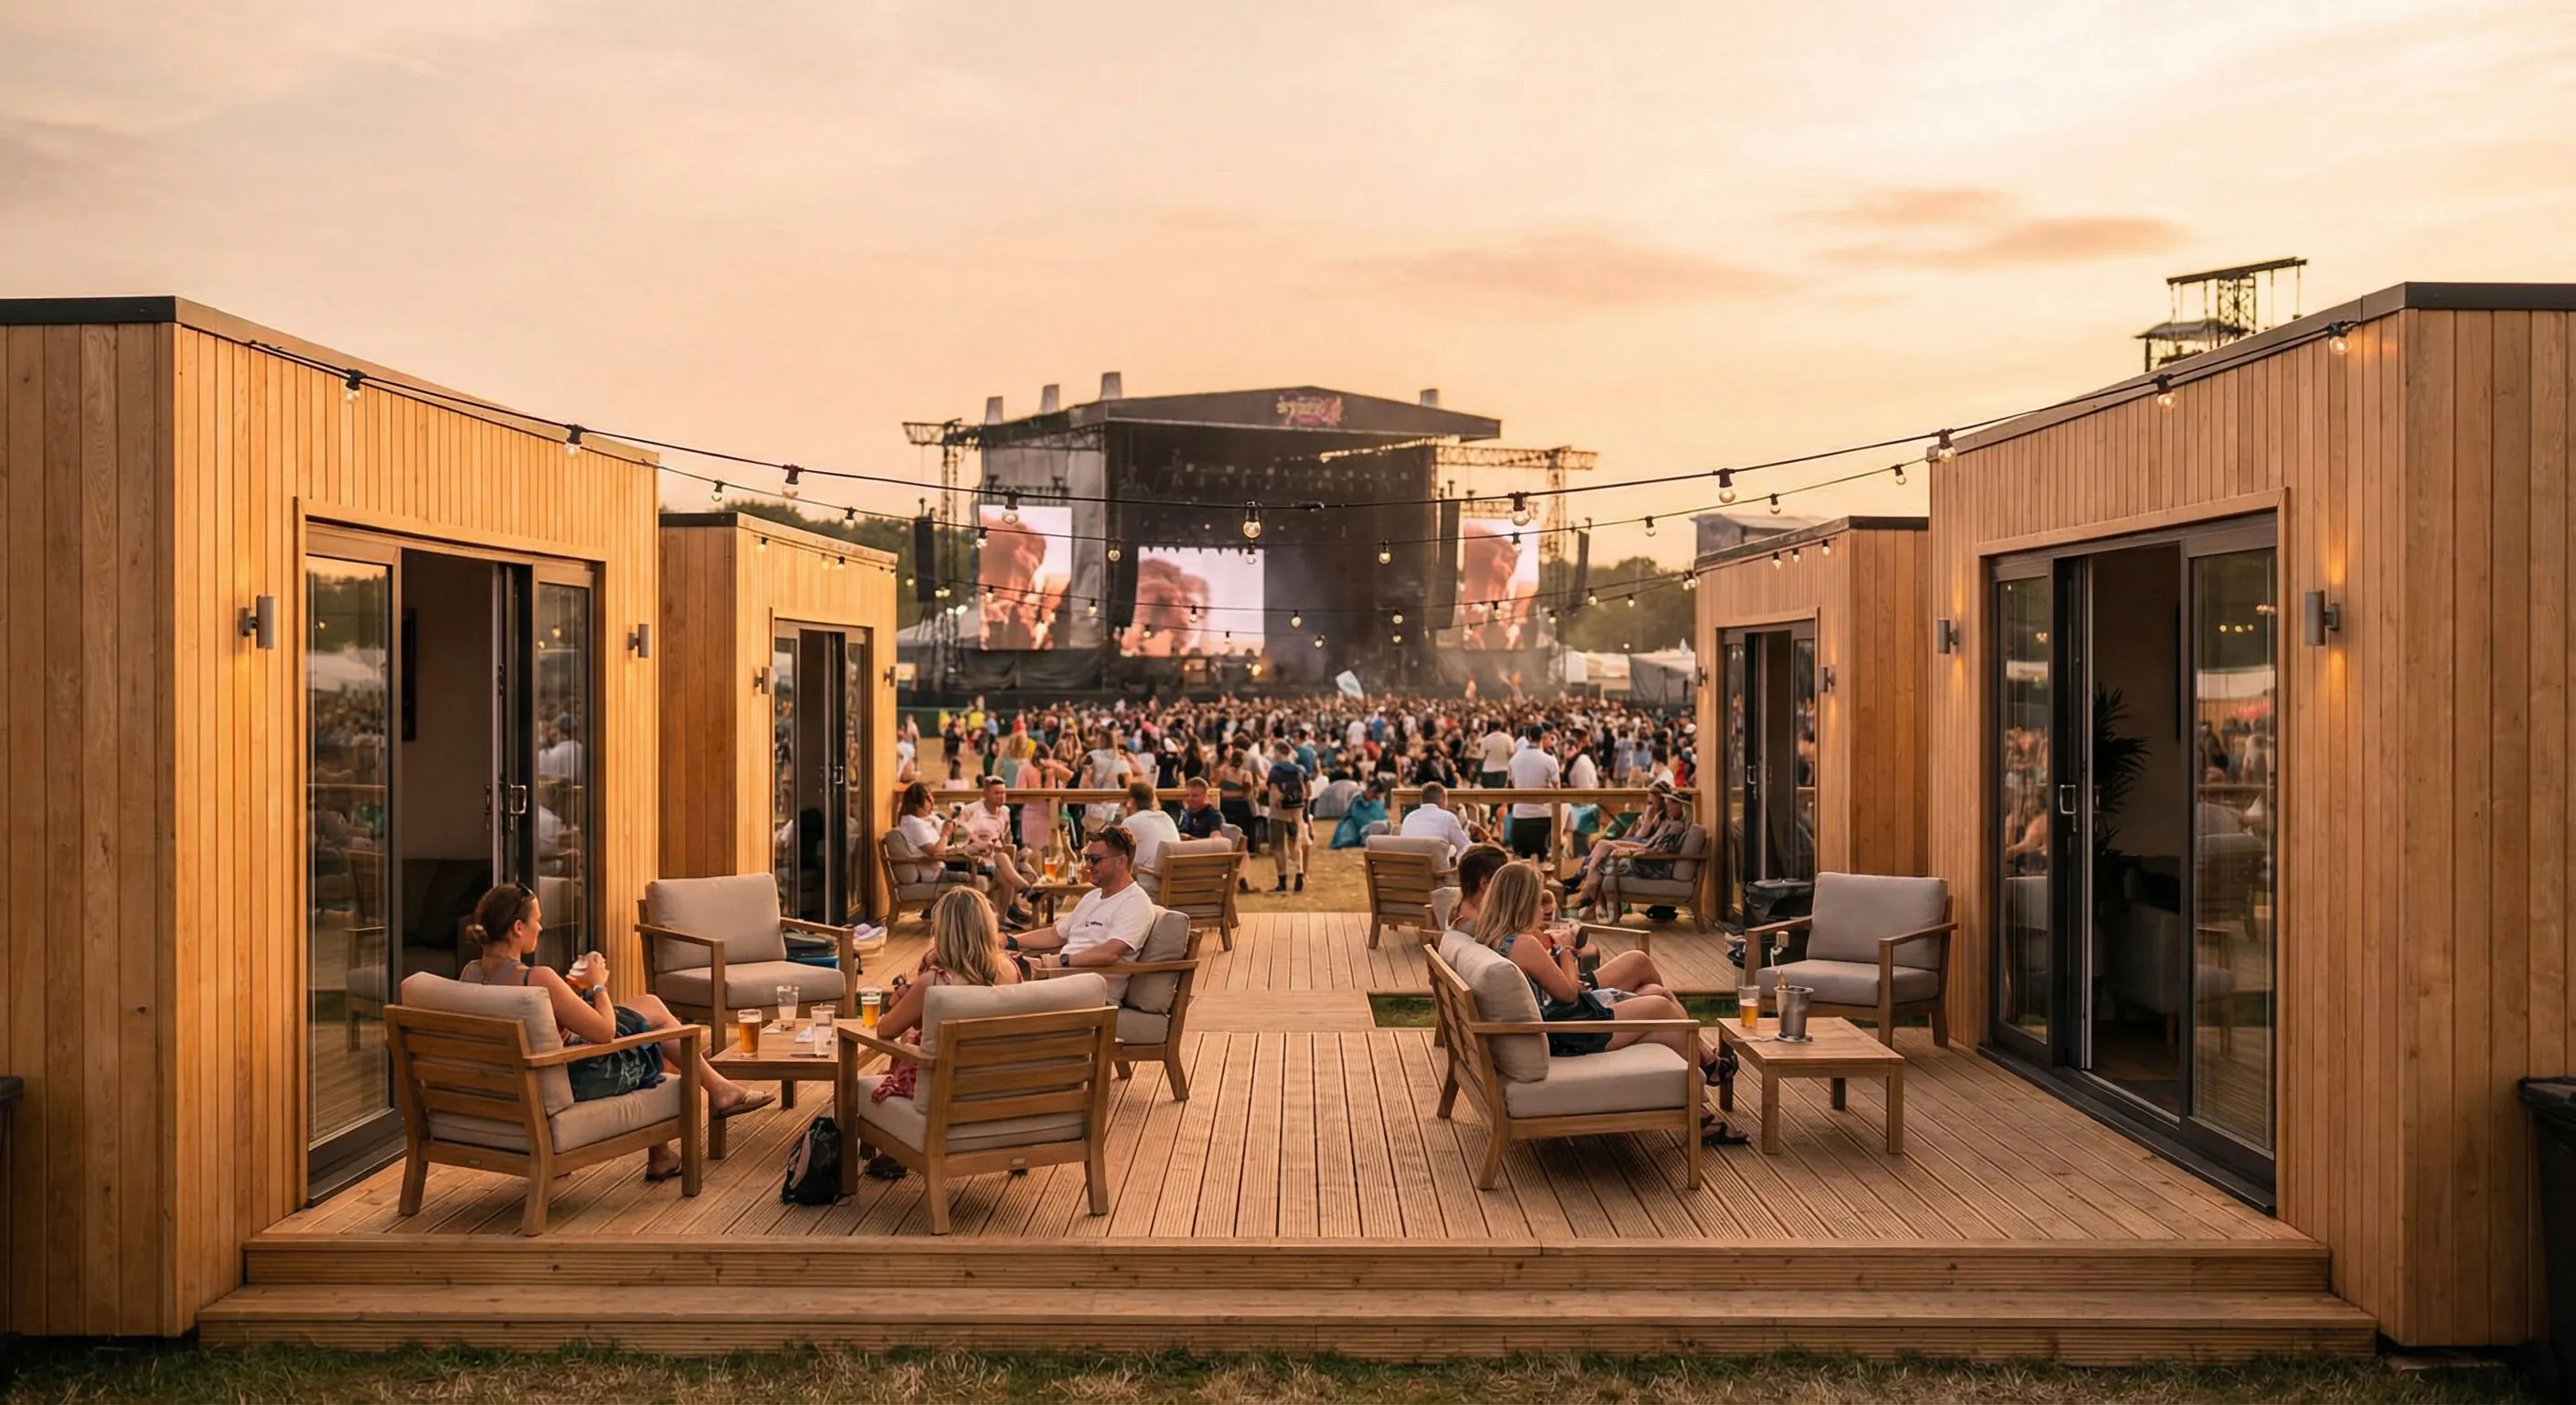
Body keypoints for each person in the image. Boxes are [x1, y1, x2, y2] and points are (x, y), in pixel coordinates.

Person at [458, 884, 771, 1181]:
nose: (540, 928)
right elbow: (604, 1033)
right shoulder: (538, 978)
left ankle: (686, 1128)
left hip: (511, 1084)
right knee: (655, 1037)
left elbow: (540, 1021)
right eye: (537, 921)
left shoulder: (470, 974)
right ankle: (715, 1095)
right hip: (574, 1078)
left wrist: (569, 995)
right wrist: (597, 984)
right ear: (517, 928)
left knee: (650, 1007)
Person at [1471, 864, 1742, 1142]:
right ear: (1523, 900)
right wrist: (1566, 948)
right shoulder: (1523, 943)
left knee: (1658, 998)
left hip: (1556, 1025)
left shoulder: (1494, 936)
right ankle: (1709, 1069)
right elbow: (1567, 994)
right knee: (1662, 1007)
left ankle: (1701, 1112)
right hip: (1565, 1032)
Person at [1010, 825, 1154, 1000]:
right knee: (988, 965)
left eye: (1095, 859)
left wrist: (1051, 962)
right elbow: (1056, 934)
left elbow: (1110, 953)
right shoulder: (1092, 897)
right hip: (1061, 979)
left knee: (995, 983)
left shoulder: (1135, 902)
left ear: (1121, 861)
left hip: (1092, 991)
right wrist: (1009, 940)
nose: (1087, 866)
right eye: (1086, 858)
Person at [960, 776, 1036, 927]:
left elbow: (1006, 837)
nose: (1001, 796)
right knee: (1001, 857)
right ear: (986, 793)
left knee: (1006, 879)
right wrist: (981, 842)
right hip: (976, 855)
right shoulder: (972, 810)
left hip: (996, 855)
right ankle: (1025, 889)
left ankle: (1001, 918)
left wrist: (1015, 851)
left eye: (1003, 793)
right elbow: (962, 834)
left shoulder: (1005, 811)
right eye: (997, 793)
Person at [1506, 724, 1562, 860]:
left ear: (1528, 738)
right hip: (1542, 814)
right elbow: (1557, 788)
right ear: (1542, 738)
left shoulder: (1515, 760)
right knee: (1541, 856)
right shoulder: (1549, 760)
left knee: (1522, 857)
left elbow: (1510, 784)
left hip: (1520, 814)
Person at [1264, 738, 1309, 893]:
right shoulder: (1300, 770)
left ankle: (1282, 881)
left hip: (1278, 812)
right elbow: (1307, 792)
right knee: (1295, 843)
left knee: (1278, 847)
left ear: (1277, 752)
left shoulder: (1275, 770)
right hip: (1296, 811)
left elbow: (1274, 793)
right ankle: (1299, 872)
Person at [1398, 780, 1479, 862]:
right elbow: (1466, 847)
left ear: (1422, 800)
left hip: (1409, 869)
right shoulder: (1447, 817)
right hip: (1436, 872)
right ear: (1443, 799)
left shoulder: (1409, 817)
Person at [1118, 779, 1181, 880]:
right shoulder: (1166, 817)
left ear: (1132, 801)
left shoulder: (1130, 822)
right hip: (1174, 879)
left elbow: (1117, 855)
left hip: (1151, 879)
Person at [1447, 842, 1511, 936]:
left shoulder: (1460, 908)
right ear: (1485, 884)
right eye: (1505, 880)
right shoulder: (1479, 928)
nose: (1508, 886)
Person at [1331, 779, 1388, 849]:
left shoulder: (1377, 802)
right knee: (1347, 839)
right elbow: (1355, 815)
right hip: (1352, 825)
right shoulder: (1357, 798)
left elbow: (1380, 816)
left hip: (1367, 828)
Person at [1176, 775, 1226, 841]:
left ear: (1205, 796)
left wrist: (1190, 839)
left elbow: (1215, 843)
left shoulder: (1215, 816)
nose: (1190, 799)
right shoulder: (1186, 813)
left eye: (1194, 796)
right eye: (1187, 795)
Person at [1476, 723, 1513, 788]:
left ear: (1491, 728)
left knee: (1488, 796)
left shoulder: (1486, 739)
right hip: (1504, 770)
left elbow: (1481, 756)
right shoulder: (1508, 738)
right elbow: (1511, 753)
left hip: (1488, 770)